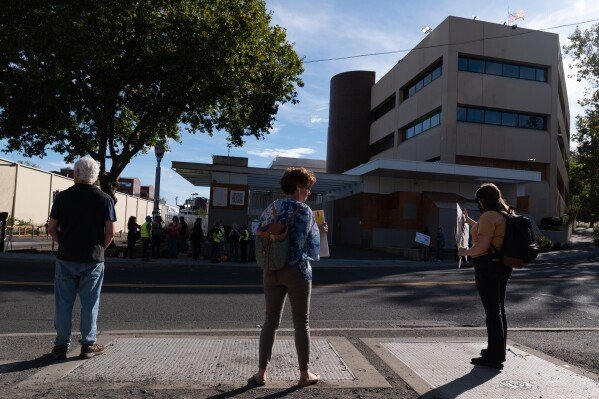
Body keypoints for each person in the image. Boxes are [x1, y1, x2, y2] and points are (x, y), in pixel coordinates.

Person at [252, 167, 327, 387]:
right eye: (307, 187)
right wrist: (321, 230)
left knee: (270, 321)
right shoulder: (304, 210)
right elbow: (313, 248)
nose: (309, 192)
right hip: (296, 271)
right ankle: (304, 375)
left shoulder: (271, 207)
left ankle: (261, 373)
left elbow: (263, 233)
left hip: (271, 268)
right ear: (297, 186)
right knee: (301, 323)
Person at [47, 157, 116, 360]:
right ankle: (87, 344)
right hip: (92, 259)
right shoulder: (105, 199)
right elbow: (110, 232)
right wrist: (99, 249)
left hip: (66, 257)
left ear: (77, 173)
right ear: (94, 176)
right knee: (90, 302)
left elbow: (52, 228)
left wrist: (63, 243)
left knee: (63, 303)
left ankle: (61, 345)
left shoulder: (62, 198)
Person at [458, 183, 511, 370]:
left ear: (483, 199)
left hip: (487, 266)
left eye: (479, 200)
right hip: (502, 265)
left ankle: (494, 357)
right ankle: (498, 350)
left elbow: (482, 246)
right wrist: (469, 221)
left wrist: (465, 251)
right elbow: (486, 231)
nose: (478, 203)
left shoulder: (489, 216)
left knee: (492, 312)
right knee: (499, 310)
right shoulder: (503, 214)